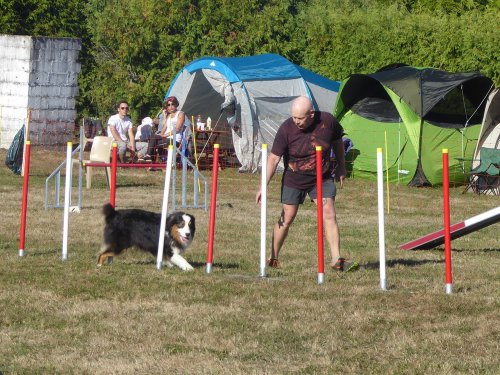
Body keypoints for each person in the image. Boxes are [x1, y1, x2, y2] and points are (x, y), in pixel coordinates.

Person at [255, 96, 358, 272]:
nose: (296, 121)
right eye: (294, 117)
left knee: (329, 213)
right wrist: (263, 185)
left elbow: (337, 142)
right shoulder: (287, 128)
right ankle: (273, 257)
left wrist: (341, 167)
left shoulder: (327, 121)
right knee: (287, 217)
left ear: (311, 114)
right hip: (294, 178)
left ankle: (336, 260)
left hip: (321, 177)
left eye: (300, 118)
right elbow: (273, 159)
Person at [144, 96, 191, 161]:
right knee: (153, 136)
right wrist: (161, 134)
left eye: (172, 104)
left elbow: (177, 129)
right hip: (166, 138)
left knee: (153, 143)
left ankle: (150, 159)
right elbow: (164, 128)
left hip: (174, 139)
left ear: (176, 105)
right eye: (168, 105)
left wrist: (164, 135)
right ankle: (149, 156)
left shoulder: (180, 114)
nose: (170, 107)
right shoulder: (169, 116)